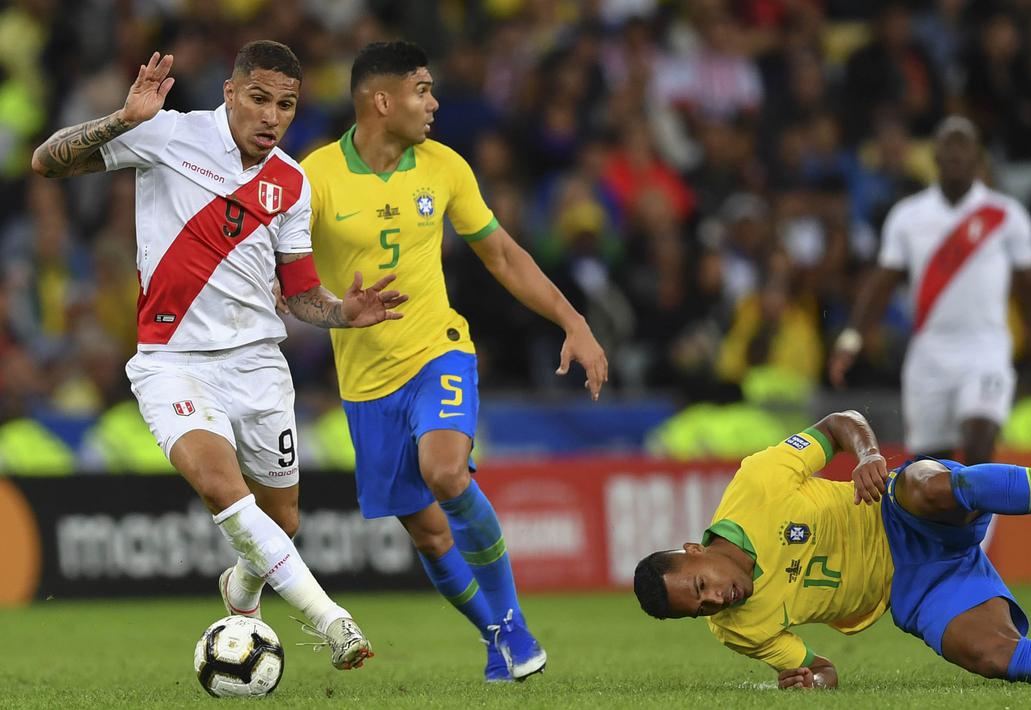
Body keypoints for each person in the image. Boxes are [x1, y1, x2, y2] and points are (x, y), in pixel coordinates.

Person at [31, 42, 409, 670]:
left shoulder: (290, 182)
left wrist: (342, 312)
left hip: (258, 365)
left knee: (280, 521)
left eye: (286, 105)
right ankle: (331, 620)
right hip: (172, 361)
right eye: (259, 98)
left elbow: (300, 294)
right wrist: (123, 120)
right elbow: (47, 162)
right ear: (230, 92)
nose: (272, 116)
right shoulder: (166, 134)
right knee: (219, 486)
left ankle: (241, 587)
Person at [300, 41, 608, 682]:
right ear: (382, 101)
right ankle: (495, 633)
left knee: (446, 473)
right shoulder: (314, 178)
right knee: (431, 535)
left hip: (438, 351)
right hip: (364, 381)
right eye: (421, 90)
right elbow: (292, 290)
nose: (434, 103)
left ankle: (514, 623)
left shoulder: (444, 167)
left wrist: (574, 321)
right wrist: (339, 313)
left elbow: (502, 256)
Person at [633, 410, 1031, 689]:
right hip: (916, 589)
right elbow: (820, 668)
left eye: (701, 586)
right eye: (702, 609)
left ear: (692, 550)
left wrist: (867, 455)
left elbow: (842, 422)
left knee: (929, 482)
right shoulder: (737, 629)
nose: (716, 600)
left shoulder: (755, 485)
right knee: (995, 657)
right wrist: (812, 682)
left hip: (897, 508)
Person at [829, 116, 1031, 464]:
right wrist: (852, 340)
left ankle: (979, 520)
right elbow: (881, 285)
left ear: (978, 157)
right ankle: (954, 519)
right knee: (929, 467)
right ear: (935, 156)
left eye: (964, 144)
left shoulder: (1005, 215)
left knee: (980, 439)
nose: (955, 152)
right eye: (948, 144)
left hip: (986, 350)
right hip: (929, 356)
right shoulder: (908, 216)